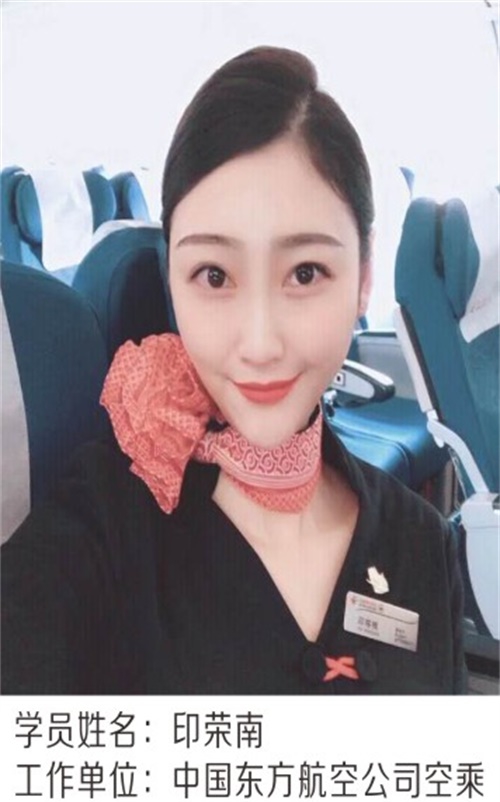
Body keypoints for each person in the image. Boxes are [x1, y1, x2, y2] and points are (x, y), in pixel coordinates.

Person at [1, 46, 466, 694]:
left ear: (363, 280)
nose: (260, 343)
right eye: (214, 276)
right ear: (172, 282)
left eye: (306, 272)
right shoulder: (103, 527)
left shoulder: (423, 544)